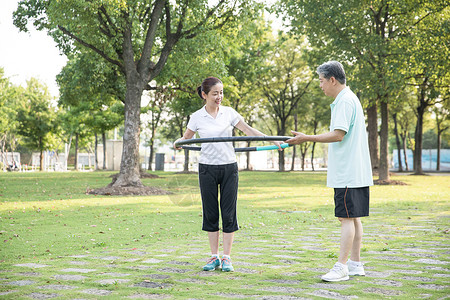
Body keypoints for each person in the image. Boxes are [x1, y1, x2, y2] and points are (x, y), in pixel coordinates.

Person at [174, 77, 281, 272]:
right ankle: (214, 256)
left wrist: (271, 140)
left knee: (229, 212)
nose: (219, 97)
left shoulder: (229, 113)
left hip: (229, 167)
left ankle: (227, 258)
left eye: (221, 93)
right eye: (215, 93)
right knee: (211, 212)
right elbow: (187, 138)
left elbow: (247, 129)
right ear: (204, 95)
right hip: (207, 168)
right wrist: (178, 142)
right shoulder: (197, 116)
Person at [286, 61, 373, 282]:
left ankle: (341, 266)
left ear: (332, 80)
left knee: (346, 218)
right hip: (356, 171)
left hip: (347, 171)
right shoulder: (349, 98)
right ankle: (355, 263)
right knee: (353, 218)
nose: (321, 86)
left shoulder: (344, 101)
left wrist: (306, 137)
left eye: (322, 81)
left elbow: (338, 134)